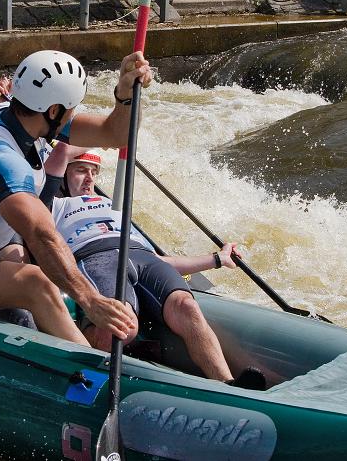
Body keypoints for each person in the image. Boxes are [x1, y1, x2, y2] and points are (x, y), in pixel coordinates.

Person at [0, 50, 153, 346]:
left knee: (21, 271)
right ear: (54, 111)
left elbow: (115, 135)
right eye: (72, 109)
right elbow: (43, 237)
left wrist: (125, 96)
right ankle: (89, 367)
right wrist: (91, 300)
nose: (73, 115)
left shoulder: (18, 116)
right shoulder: (1, 160)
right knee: (36, 283)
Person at [43, 143, 266, 389]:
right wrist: (113, 138)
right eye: (80, 171)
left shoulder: (114, 205)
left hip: (141, 256)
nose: (89, 178)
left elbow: (161, 260)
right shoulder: (54, 205)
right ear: (64, 175)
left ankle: (227, 383)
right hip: (96, 256)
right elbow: (58, 155)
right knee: (121, 327)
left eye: (94, 172)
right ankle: (87, 371)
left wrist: (216, 259)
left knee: (187, 306)